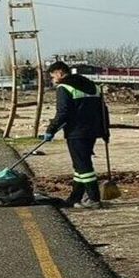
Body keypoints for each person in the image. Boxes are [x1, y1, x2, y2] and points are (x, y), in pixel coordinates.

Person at [42, 61, 110, 209]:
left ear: (59, 72)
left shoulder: (64, 87)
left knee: (84, 165)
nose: (53, 80)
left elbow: (63, 113)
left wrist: (50, 130)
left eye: (53, 76)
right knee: (79, 165)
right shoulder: (93, 86)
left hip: (76, 132)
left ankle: (94, 199)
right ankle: (75, 198)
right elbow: (103, 110)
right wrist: (105, 132)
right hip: (92, 131)